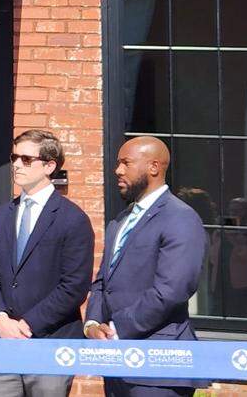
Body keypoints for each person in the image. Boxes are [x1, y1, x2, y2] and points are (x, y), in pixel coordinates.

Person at [85, 136, 208, 397]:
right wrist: (93, 323)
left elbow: (172, 290)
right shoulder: (121, 220)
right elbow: (102, 281)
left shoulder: (180, 218)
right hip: (116, 361)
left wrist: (118, 328)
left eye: (125, 163)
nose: (117, 170)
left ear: (153, 167)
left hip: (158, 367)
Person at [0, 130, 93, 397]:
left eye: (26, 159)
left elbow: (74, 286)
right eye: (14, 157)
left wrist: (27, 324)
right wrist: (1, 319)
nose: (17, 164)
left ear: (49, 166)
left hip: (50, 345)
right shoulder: (0, 216)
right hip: (3, 342)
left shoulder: (72, 219)